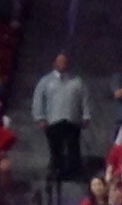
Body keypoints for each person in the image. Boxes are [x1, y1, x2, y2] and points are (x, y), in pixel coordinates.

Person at [31, 53, 88, 186]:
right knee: (55, 148)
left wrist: (86, 116)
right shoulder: (45, 81)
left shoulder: (77, 81)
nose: (63, 64)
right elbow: (38, 100)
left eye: (65, 62)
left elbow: (84, 99)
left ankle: (73, 173)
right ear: (54, 63)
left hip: (72, 120)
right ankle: (56, 172)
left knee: (73, 148)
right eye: (60, 62)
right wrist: (40, 117)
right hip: (53, 121)